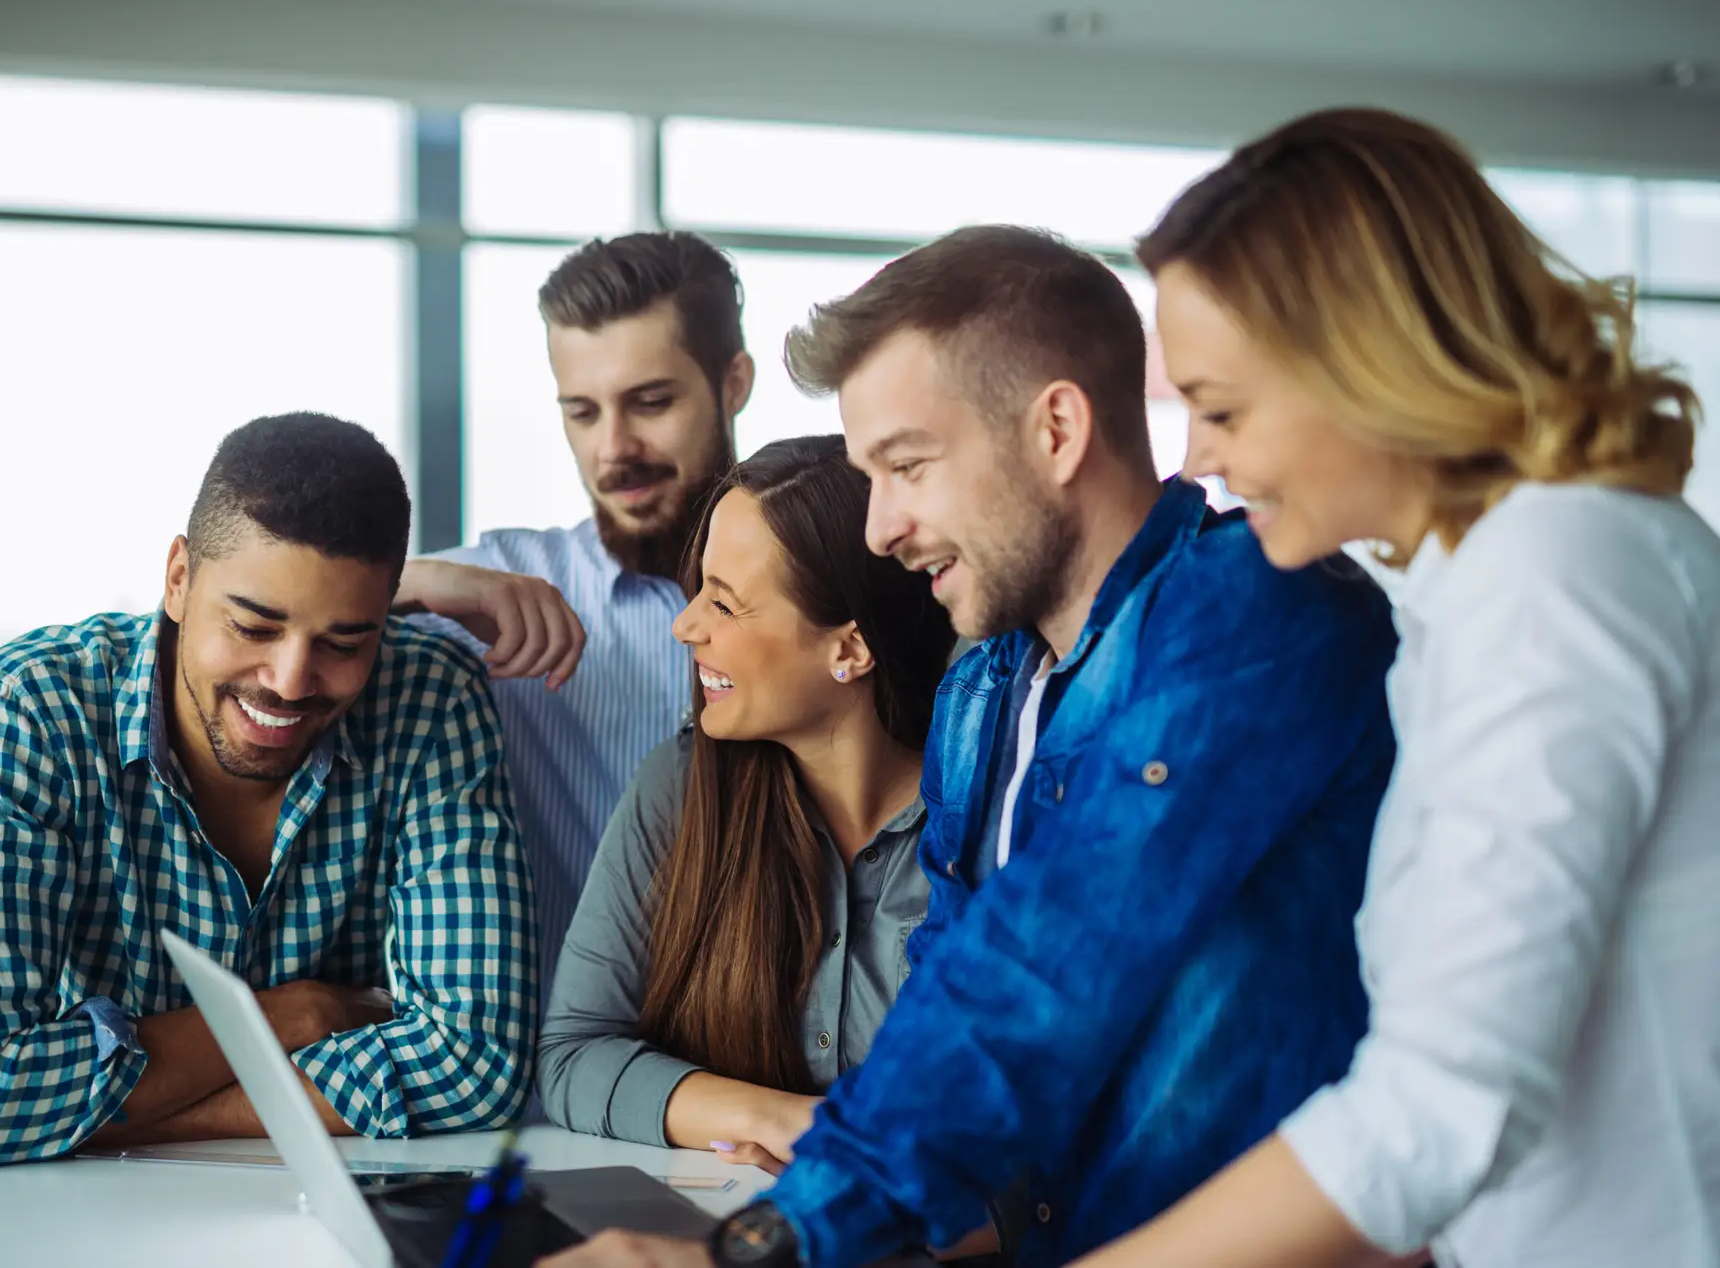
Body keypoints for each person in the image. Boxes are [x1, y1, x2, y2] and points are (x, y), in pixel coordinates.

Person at [542, 224, 1400, 1268]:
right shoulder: (986, 683)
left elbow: (1042, 969)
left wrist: (762, 1249)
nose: (881, 529)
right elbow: (951, 992)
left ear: (1056, 430)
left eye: (907, 466)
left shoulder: (1248, 616)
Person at [1069, 108, 1719, 1268]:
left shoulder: (1558, 569)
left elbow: (1445, 1101)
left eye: (1221, 408)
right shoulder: (1473, 590)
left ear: (1368, 364)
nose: (1197, 461)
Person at [0, 412, 536, 1170]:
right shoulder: (28, 708)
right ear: (178, 580)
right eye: (253, 627)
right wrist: (296, 1014)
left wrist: (108, 1121)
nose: (292, 681)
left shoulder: (431, 698)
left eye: (343, 643)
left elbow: (478, 1063)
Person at [536, 435, 957, 1162]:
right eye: (700, 589)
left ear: (849, 650)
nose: (685, 625)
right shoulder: (680, 786)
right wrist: (789, 1125)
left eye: (725, 605)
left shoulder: (984, 823)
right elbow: (573, 1054)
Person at [396, 232, 755, 993]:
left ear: (734, 384)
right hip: (551, 1094)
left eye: (650, 403)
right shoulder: (502, 589)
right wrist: (425, 579)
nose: (613, 449)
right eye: (582, 413)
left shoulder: (827, 592)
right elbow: (256, 611)